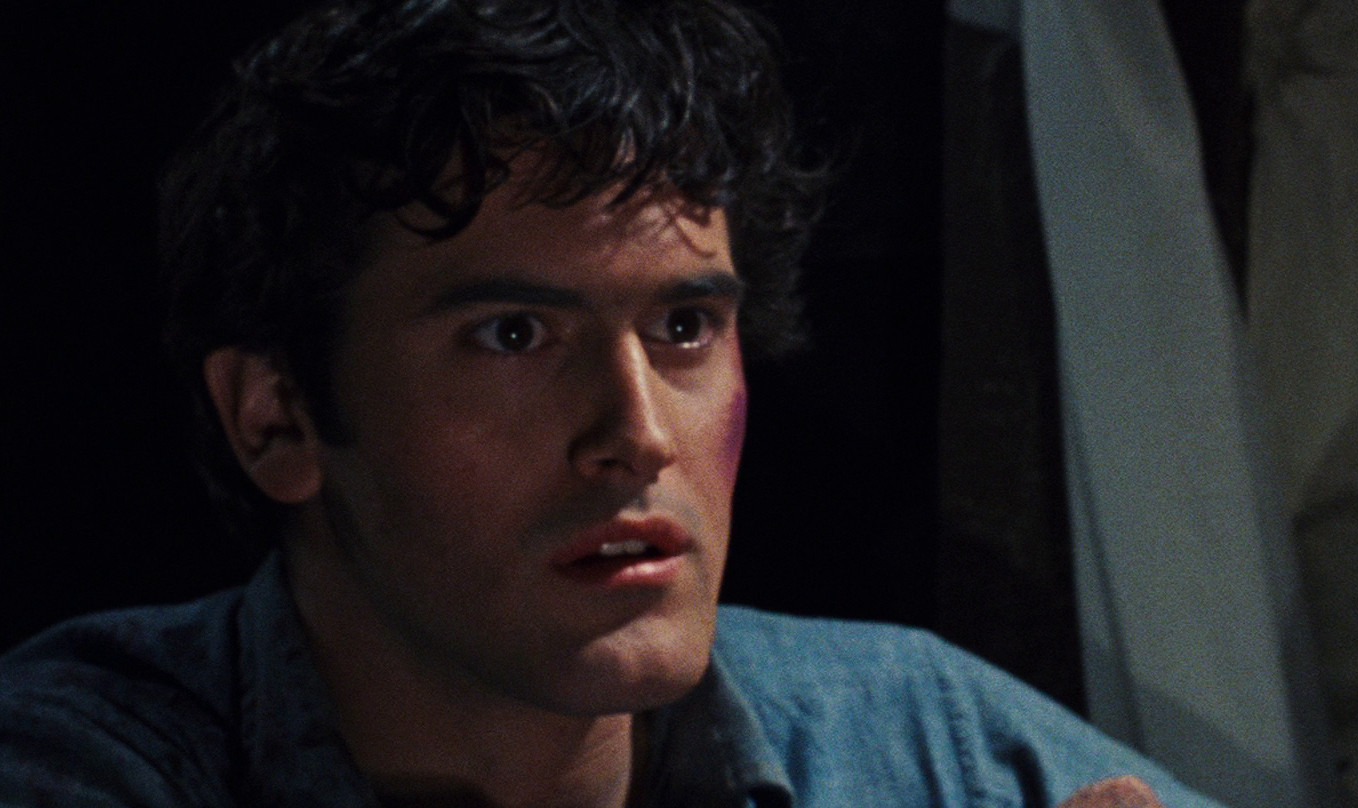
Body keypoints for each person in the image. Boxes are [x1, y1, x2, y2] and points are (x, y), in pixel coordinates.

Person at [0, 1, 1222, 806]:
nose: (635, 434)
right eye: (514, 335)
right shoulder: (82, 757)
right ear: (275, 415)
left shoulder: (923, 738)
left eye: (684, 328)